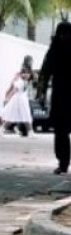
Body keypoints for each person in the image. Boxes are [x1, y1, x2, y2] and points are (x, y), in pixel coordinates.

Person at [38, 22, 71, 174]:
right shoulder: (54, 50)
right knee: (60, 131)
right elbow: (45, 73)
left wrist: (42, 93)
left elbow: (45, 73)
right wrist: (41, 93)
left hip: (61, 96)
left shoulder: (54, 49)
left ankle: (63, 163)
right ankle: (63, 163)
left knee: (60, 132)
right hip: (60, 97)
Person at [0, 65, 34, 137]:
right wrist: (7, 99)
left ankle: (1, 130)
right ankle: (30, 132)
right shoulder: (20, 81)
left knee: (18, 116)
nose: (26, 75)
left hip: (22, 100)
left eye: (28, 73)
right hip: (18, 101)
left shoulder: (25, 81)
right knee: (25, 116)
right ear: (21, 74)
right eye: (24, 73)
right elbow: (14, 91)